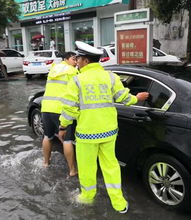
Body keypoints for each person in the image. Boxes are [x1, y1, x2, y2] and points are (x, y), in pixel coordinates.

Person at [58, 41, 149, 214]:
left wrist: (63, 127)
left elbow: (69, 109)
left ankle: (87, 197)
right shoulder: (111, 77)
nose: (76, 62)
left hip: (87, 133)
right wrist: (137, 98)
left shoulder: (76, 80)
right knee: (111, 165)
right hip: (109, 131)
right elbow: (124, 98)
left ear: (85, 60)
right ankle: (119, 203)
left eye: (78, 59)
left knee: (87, 167)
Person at [41, 51, 78, 177]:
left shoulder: (53, 68)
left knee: (48, 136)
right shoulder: (72, 71)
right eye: (74, 59)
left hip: (46, 107)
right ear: (66, 59)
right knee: (67, 140)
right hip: (61, 110)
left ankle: (46, 162)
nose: (76, 62)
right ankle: (72, 170)